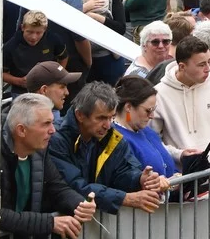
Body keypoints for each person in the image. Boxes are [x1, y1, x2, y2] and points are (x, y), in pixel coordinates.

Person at [49, 82, 170, 214]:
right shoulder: (56, 139)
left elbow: (121, 171)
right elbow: (75, 186)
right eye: (101, 118)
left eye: (111, 117)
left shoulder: (112, 137)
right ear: (80, 115)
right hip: (63, 222)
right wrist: (125, 199)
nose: (107, 125)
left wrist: (140, 178)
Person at [0, 93, 95, 239]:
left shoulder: (39, 151)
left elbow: (57, 187)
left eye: (52, 122)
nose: (53, 130)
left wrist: (79, 204)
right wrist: (49, 223)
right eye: (46, 124)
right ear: (21, 130)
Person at [153, 35, 210, 166]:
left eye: (209, 62)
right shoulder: (158, 94)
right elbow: (153, 140)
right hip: (180, 179)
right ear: (182, 66)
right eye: (201, 64)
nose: (208, 69)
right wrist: (178, 155)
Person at [113, 76, 178, 178]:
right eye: (148, 110)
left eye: (153, 110)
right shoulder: (117, 138)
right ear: (128, 107)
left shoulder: (147, 131)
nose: (152, 116)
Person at [3, 10, 66, 94]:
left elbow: (63, 58)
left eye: (38, 33)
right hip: (22, 92)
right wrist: (19, 81)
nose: (33, 37)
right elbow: (1, 73)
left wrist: (59, 72)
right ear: (22, 27)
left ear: (45, 29)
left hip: (48, 89)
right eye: (30, 32)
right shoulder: (11, 46)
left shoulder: (53, 39)